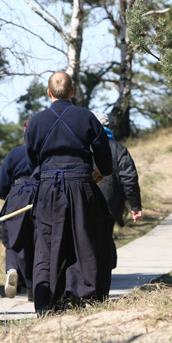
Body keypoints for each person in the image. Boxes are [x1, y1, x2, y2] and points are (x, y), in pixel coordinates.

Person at [24, 71, 113, 316]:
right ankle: (85, 295)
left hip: (49, 186)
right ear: (72, 92)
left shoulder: (36, 122)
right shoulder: (86, 117)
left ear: (48, 93)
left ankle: (46, 303)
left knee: (47, 243)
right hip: (81, 184)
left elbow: (31, 160)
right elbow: (104, 158)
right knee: (85, 239)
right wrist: (100, 171)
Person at [0, 120, 37, 301]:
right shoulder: (43, 153)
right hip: (40, 195)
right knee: (37, 241)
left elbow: (3, 177)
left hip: (17, 195)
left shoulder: (15, 153)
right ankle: (33, 287)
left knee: (13, 238)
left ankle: (12, 268)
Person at [95, 113, 142, 269]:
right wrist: (134, 206)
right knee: (106, 238)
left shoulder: (83, 147)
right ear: (108, 127)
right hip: (111, 203)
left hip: (86, 201)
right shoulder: (119, 149)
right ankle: (104, 276)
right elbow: (129, 178)